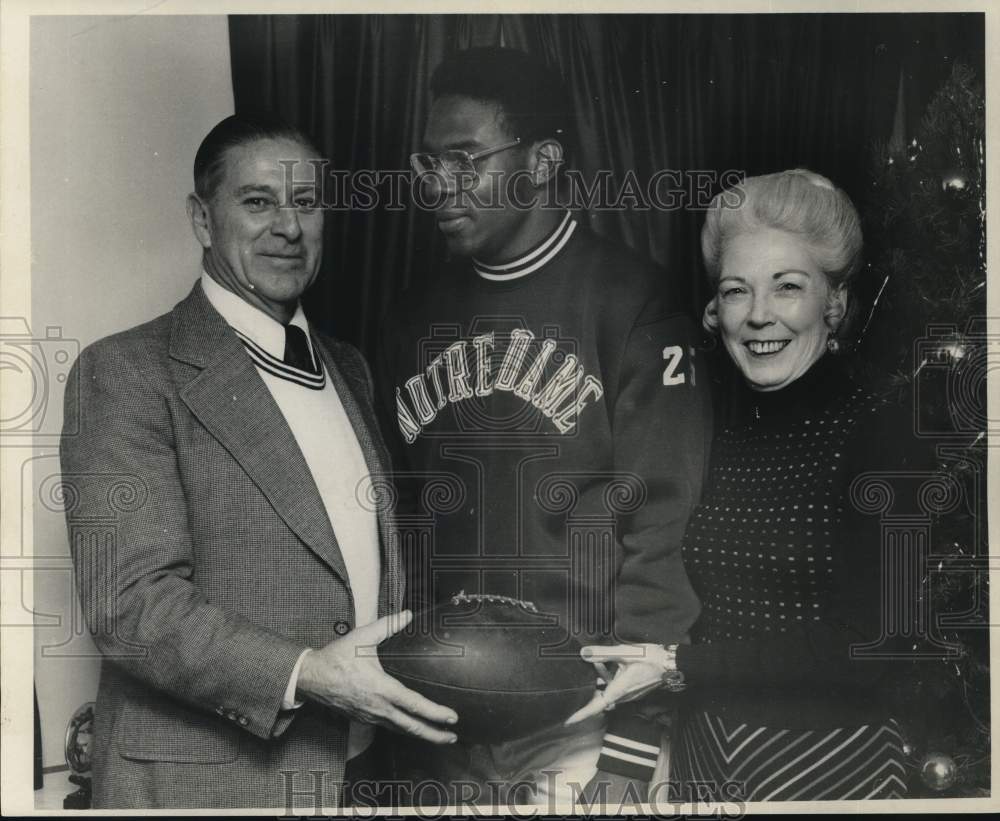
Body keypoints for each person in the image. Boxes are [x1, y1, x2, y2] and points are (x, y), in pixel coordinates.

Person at [59, 113, 458, 810]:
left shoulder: (350, 368)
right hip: (206, 787)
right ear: (202, 220)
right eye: (258, 201)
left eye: (306, 203)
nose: (289, 227)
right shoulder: (123, 372)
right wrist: (309, 673)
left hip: (357, 774)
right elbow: (130, 605)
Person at [376, 47, 711, 807]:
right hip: (440, 726)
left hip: (584, 726)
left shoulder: (632, 302)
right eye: (428, 162)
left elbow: (662, 537)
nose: (439, 185)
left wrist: (629, 752)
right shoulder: (409, 316)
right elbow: (401, 529)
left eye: (466, 158)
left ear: (544, 159)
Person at [571, 169, 922, 802]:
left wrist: (677, 666)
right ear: (715, 309)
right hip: (704, 757)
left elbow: (883, 643)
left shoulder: (885, 435)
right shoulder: (710, 422)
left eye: (788, 287)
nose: (759, 315)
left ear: (833, 302)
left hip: (834, 766)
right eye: (737, 291)